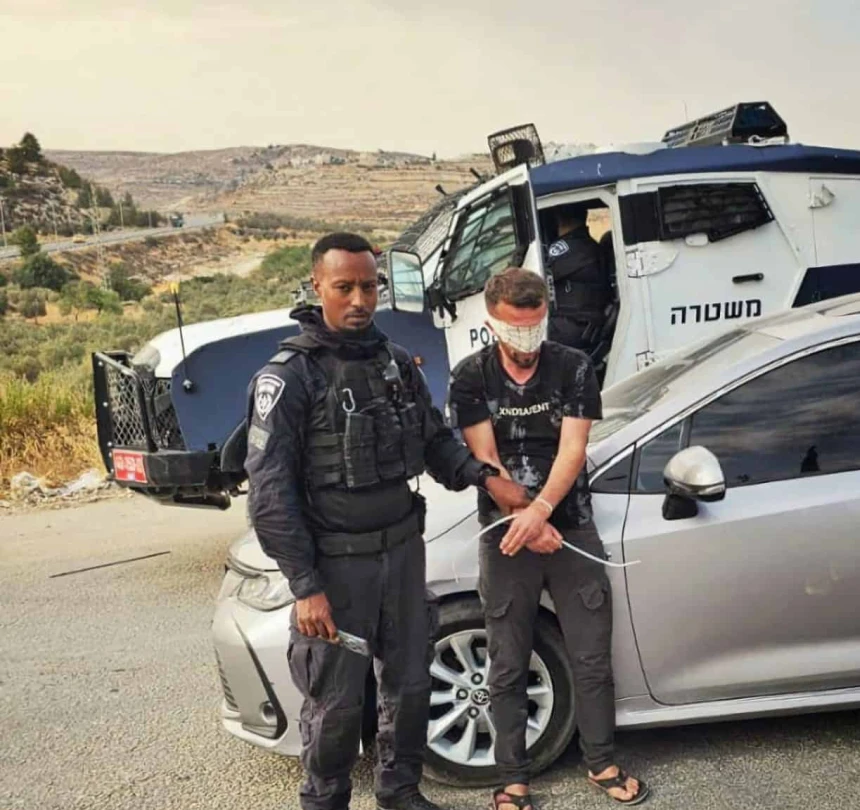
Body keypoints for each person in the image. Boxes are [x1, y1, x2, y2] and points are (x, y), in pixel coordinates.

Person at [243, 233, 530, 810]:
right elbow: (270, 495)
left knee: (411, 686)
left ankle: (400, 794)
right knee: (336, 703)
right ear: (317, 286)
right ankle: (324, 800)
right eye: (343, 287)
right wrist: (306, 587)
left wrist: (485, 477)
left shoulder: (396, 364)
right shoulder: (290, 376)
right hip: (337, 570)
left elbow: (434, 443)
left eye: (369, 286)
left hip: (401, 556)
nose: (358, 300)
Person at [448, 267, 649, 810]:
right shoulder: (471, 377)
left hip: (570, 523)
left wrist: (542, 511)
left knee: (590, 657)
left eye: (536, 327)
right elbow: (485, 462)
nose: (527, 341)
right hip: (506, 531)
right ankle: (513, 778)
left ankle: (601, 761)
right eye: (516, 330)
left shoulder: (574, 367)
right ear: (492, 324)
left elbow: (572, 451)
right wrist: (528, 521)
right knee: (508, 662)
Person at [542, 203, 614, 359]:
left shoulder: (566, 248)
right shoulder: (590, 246)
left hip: (571, 328)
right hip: (586, 326)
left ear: (557, 219)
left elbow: (533, 278)